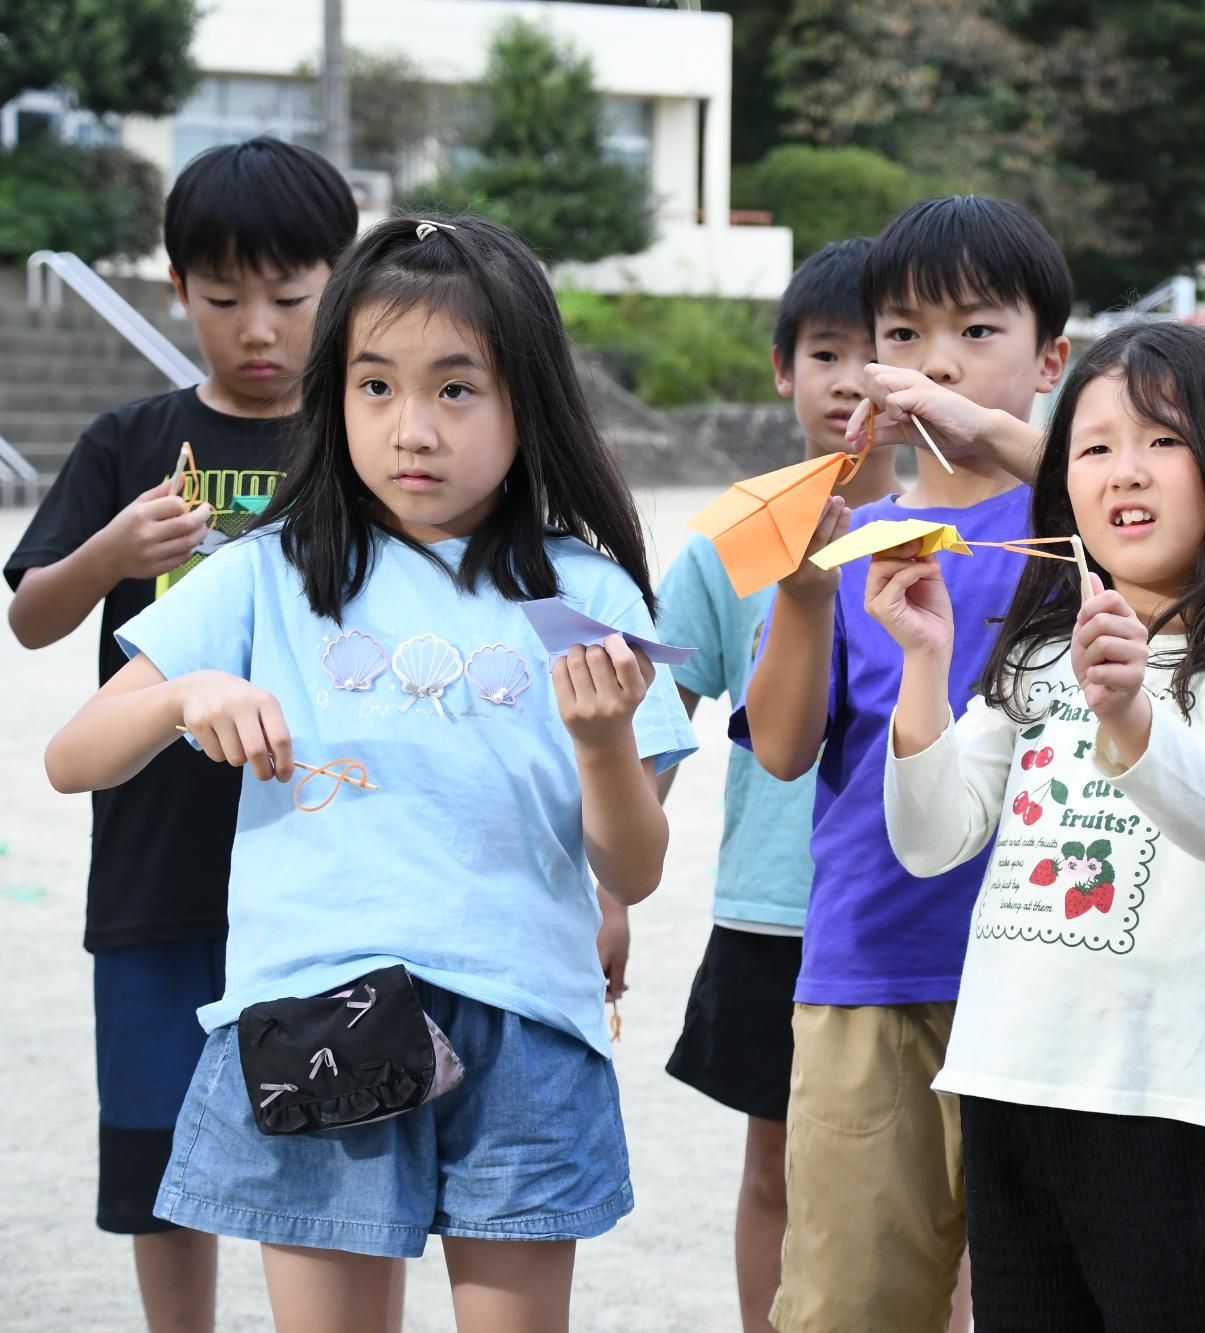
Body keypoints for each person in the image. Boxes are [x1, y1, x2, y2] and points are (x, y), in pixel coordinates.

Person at [41, 213, 696, 1333]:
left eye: (456, 389)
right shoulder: (265, 573)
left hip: (528, 1021)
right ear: (331, 396)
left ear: (525, 397)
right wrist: (185, 693)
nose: (412, 429)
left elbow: (630, 868)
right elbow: (73, 756)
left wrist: (597, 742)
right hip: (317, 1014)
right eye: (374, 385)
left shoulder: (589, 596)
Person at [866, 321, 1205, 1330]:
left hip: (1177, 1101)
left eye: (1163, 440)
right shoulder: (1041, 651)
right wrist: (920, 661)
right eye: (1092, 446)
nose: (1126, 469)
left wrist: (1129, 711)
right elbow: (929, 837)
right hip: (1011, 1081)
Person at [3, 136, 356, 1333]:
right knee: (160, 1164)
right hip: (156, 859)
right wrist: (111, 553)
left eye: (290, 299)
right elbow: (32, 618)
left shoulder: (368, 445)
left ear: (341, 285)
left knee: (322, 1152)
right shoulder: (132, 440)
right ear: (178, 294)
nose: (257, 328)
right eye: (223, 300)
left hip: (320, 858)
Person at [740, 194, 1070, 1333]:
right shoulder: (848, 536)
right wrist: (800, 583)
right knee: (852, 1303)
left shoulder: (1092, 531)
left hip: (1054, 976)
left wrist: (993, 435)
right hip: (870, 973)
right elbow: (779, 749)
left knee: (1050, 1296)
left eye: (977, 333)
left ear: (1051, 361)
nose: (934, 366)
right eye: (903, 336)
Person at [613, 237, 897, 1333]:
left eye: (882, 352)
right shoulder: (731, 536)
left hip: (916, 908)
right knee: (776, 1167)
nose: (853, 381)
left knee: (938, 1174)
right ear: (782, 369)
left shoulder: (962, 528)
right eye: (827, 352)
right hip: (773, 910)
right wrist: (609, 890)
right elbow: (654, 697)